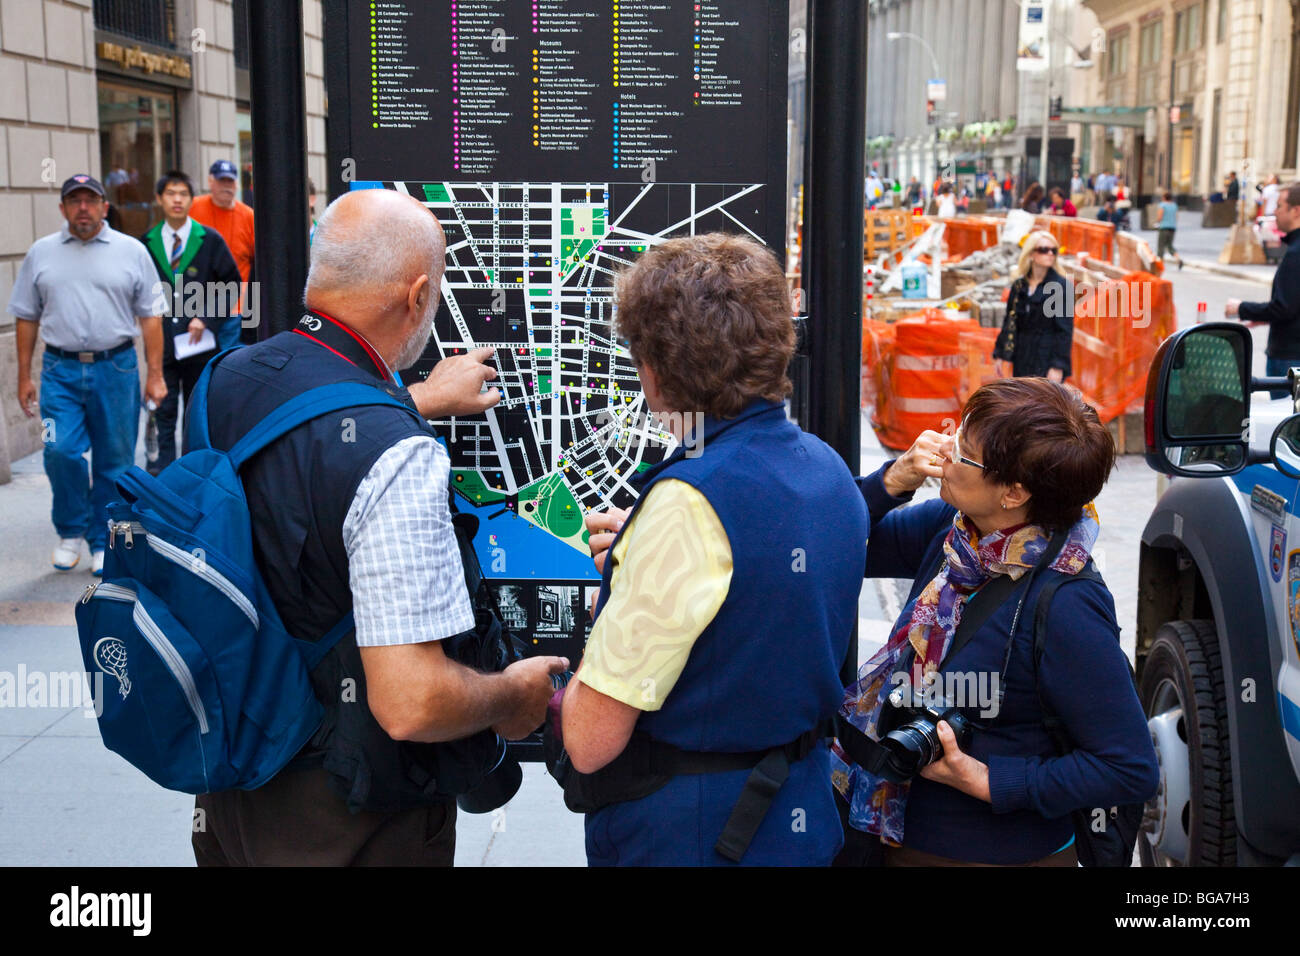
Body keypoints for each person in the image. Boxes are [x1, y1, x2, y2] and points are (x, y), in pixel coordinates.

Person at [189, 188, 566, 866]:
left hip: (232, 790)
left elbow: (301, 442)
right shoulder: (395, 454)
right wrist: (513, 694)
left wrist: (410, 400)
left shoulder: (227, 380)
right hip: (349, 818)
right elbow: (412, 703)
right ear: (417, 295)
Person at [556, 233, 870, 866]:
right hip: (797, 815)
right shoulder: (828, 469)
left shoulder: (687, 504)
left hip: (696, 834)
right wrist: (654, 552)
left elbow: (590, 741)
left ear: (657, 367)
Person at [832, 378, 1159, 866]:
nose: (943, 449)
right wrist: (892, 480)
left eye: (963, 449)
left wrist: (986, 780)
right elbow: (835, 540)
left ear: (1014, 492)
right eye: (958, 430)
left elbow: (1128, 768)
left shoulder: (1067, 601)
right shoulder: (956, 529)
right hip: (890, 836)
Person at [8, 175, 167, 577]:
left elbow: (150, 317)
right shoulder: (41, 253)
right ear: (62, 208)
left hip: (117, 369)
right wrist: (24, 376)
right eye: (74, 201)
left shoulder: (132, 252)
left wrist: (155, 374)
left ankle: (103, 538)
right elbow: (26, 316)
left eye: (90, 200)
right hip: (58, 372)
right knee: (58, 450)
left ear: (104, 206)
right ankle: (69, 530)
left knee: (114, 460)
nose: (83, 207)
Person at [140, 170, 241, 473]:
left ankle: (196, 476)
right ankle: (162, 478)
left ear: (190, 199)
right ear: (160, 199)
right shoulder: (145, 243)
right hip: (162, 345)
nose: (177, 200)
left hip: (200, 344)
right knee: (163, 410)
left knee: (198, 411)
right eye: (171, 193)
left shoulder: (208, 239)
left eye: (183, 194)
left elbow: (232, 284)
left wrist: (207, 318)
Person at [1227, 181, 1300, 399]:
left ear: (1296, 211)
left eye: (1279, 206)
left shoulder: (1296, 253)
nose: (1274, 211)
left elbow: (1284, 308)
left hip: (1289, 357)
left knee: (1285, 426)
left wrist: (1241, 308)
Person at [992, 230, 1073, 382]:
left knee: (1044, 404)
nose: (1050, 253)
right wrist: (1000, 354)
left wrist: (1057, 366)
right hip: (1022, 356)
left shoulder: (1062, 286)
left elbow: (1065, 331)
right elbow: (1010, 321)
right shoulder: (1019, 286)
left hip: (1046, 358)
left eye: (1053, 250)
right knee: (1022, 402)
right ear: (1031, 254)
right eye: (1043, 250)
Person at [190, 159, 255, 348]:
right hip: (196, 303)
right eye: (221, 181)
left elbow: (257, 261)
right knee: (197, 364)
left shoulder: (248, 216)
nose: (226, 187)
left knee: (228, 362)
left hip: (233, 307)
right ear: (210, 182)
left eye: (230, 182)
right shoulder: (193, 208)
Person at [1155, 190, 1185, 270]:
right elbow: (1176, 217)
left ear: (1164, 198)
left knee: (1161, 247)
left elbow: (1160, 217)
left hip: (1164, 227)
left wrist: (1157, 222)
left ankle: (1160, 266)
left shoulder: (1162, 205)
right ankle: (1179, 260)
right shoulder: (1174, 205)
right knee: (1170, 246)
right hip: (1172, 228)